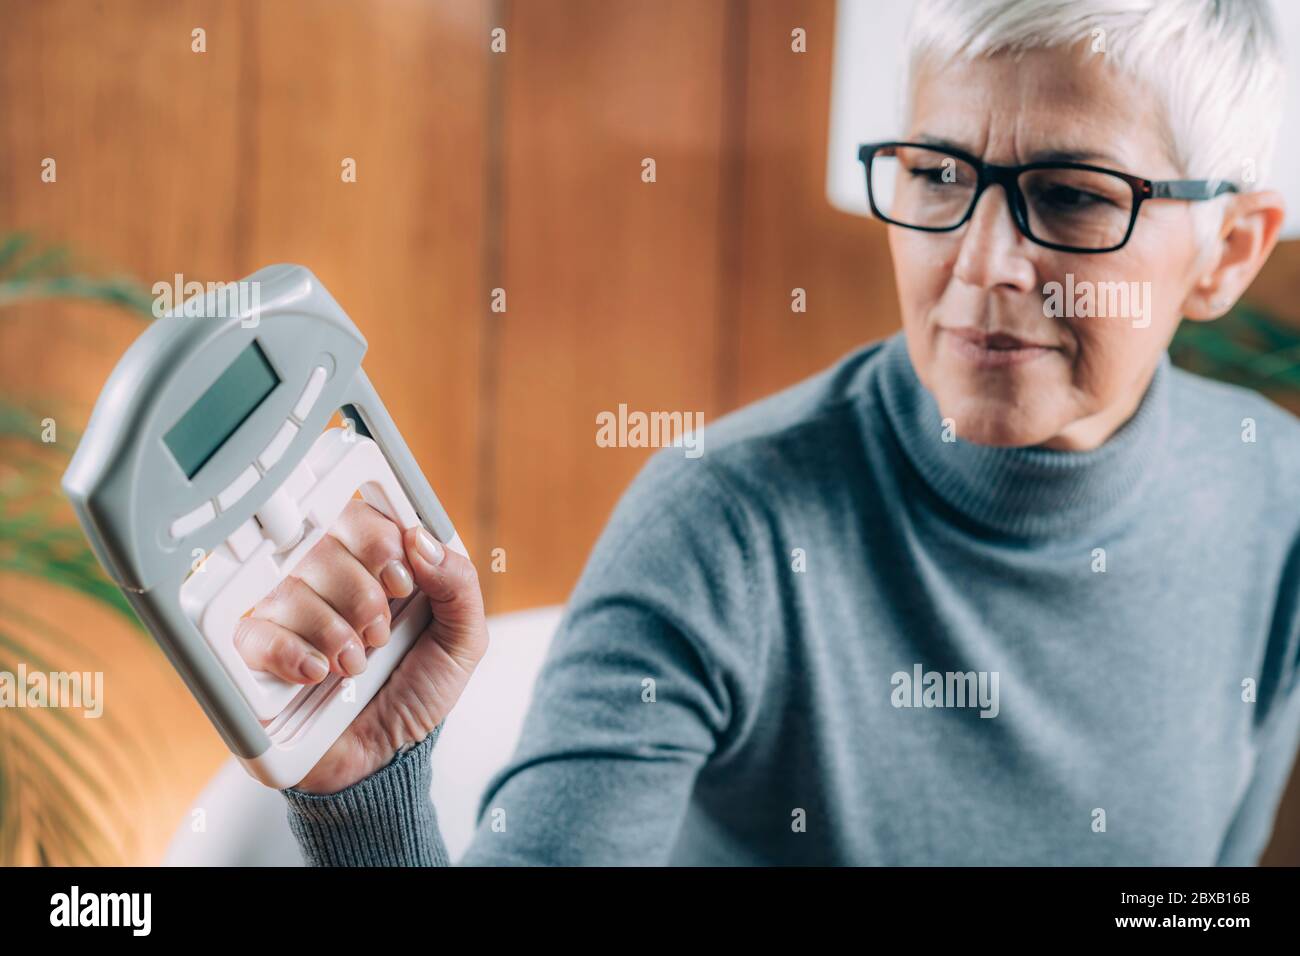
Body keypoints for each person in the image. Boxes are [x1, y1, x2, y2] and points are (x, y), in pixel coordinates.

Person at [246, 0, 1300, 864]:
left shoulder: (1276, 498)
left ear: (1227, 252)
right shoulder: (726, 526)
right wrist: (367, 801)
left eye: (1069, 196)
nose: (981, 265)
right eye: (936, 174)